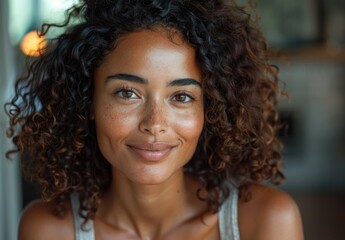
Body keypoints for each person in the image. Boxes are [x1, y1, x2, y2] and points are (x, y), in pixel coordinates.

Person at [6, 0, 303, 239]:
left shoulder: (266, 222)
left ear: (209, 110)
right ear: (88, 101)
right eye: (127, 93)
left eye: (182, 97)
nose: (154, 123)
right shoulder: (48, 230)